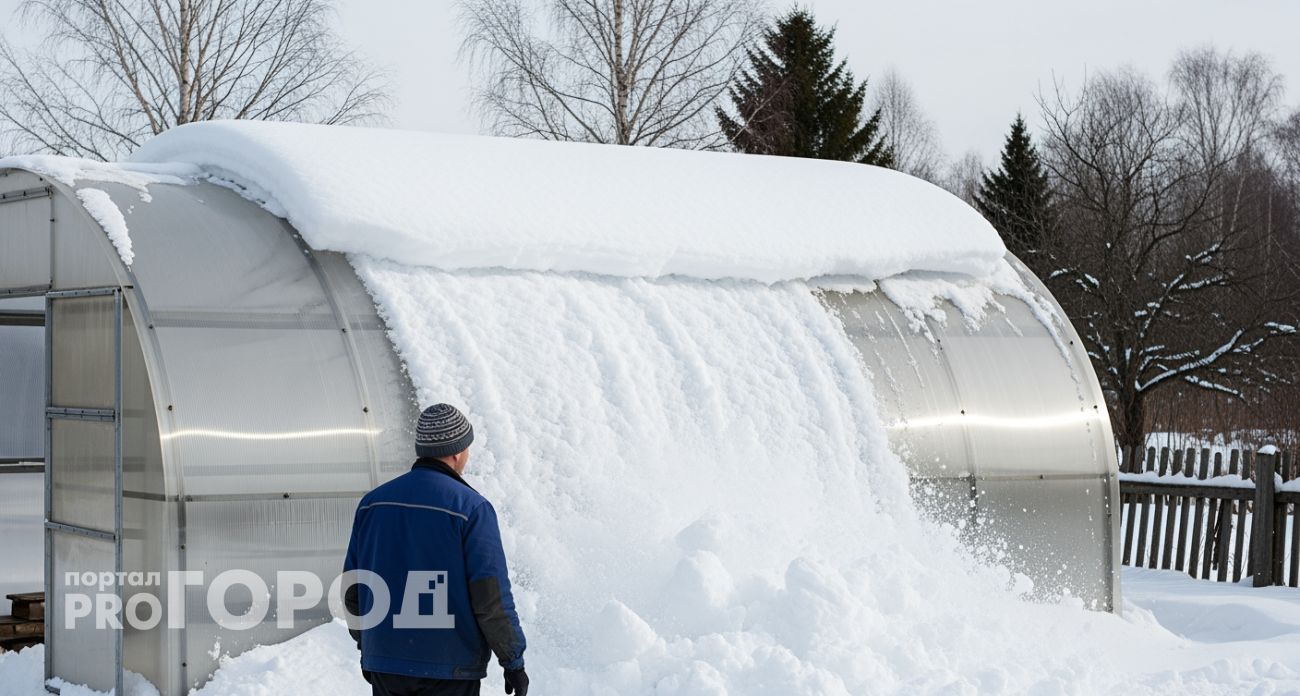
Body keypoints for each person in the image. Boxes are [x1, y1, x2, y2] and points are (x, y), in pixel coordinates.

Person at [344, 403, 529, 696]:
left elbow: (352, 589)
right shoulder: (471, 509)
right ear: (456, 452)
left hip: (386, 664)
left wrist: (369, 645)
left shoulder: (372, 504)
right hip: (449, 667)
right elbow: (490, 598)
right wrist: (513, 661)